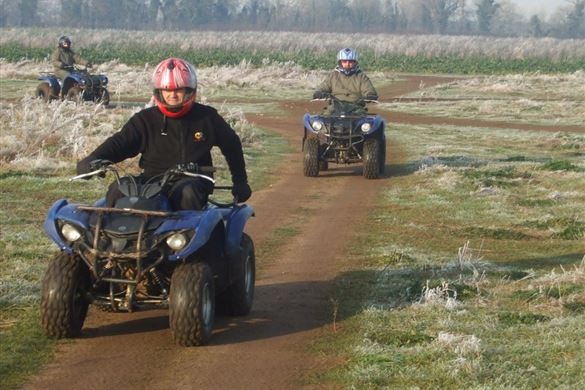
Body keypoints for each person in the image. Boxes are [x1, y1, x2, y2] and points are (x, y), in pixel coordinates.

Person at [76, 57, 252, 210]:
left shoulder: (207, 117)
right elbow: (120, 143)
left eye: (178, 90)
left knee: (187, 193)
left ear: (190, 90)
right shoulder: (145, 119)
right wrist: (92, 159)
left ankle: (189, 247)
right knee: (118, 188)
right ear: (159, 92)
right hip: (152, 181)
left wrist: (240, 181)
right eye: (167, 90)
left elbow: (232, 145)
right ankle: (110, 243)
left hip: (193, 180)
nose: (172, 95)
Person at [312, 47, 378, 114]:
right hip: (335, 107)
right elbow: (323, 87)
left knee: (365, 122)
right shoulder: (333, 75)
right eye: (344, 61)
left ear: (355, 62)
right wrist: (319, 93)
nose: (347, 64)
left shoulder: (361, 76)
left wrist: (370, 95)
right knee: (323, 119)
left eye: (350, 61)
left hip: (356, 107)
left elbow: (369, 89)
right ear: (340, 62)